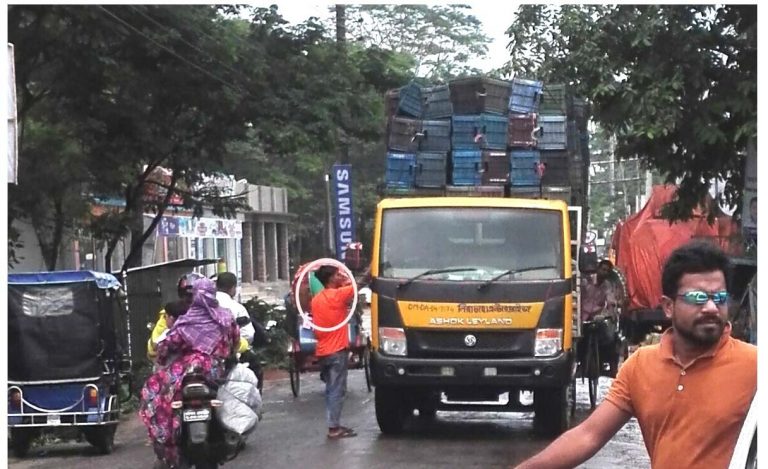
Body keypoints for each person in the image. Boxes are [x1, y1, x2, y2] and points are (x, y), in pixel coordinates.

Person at [514, 240, 757, 469]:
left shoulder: (754, 365)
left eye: (720, 298)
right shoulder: (641, 365)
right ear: (668, 306)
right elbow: (589, 435)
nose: (712, 308)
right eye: (698, 298)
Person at [139, 277, 241, 469]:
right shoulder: (226, 318)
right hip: (215, 371)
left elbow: (166, 346)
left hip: (185, 371)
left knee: (154, 391)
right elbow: (235, 342)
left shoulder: (187, 320)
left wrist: (162, 358)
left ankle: (166, 435)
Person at [310, 264, 369, 439]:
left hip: (322, 351)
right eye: (337, 274)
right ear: (330, 278)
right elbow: (360, 283)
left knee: (331, 389)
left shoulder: (317, 299)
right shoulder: (338, 295)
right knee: (337, 390)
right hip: (337, 351)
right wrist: (372, 266)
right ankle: (333, 428)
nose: (340, 276)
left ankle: (334, 423)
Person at [147, 272, 202, 361]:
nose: (191, 299)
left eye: (193, 295)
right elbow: (154, 348)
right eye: (187, 296)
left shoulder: (213, 314)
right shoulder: (171, 313)